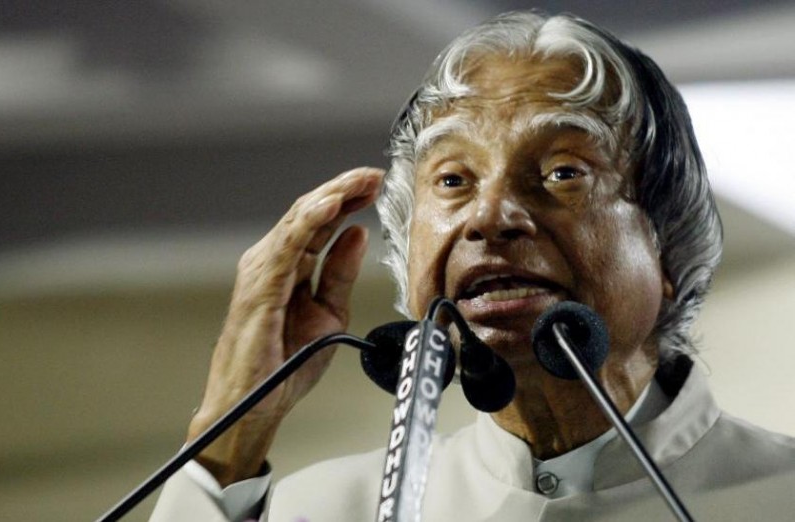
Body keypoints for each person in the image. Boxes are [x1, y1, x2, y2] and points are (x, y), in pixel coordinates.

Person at [148, 10, 795, 521]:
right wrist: (232, 430)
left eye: (563, 172)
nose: (490, 216)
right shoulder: (320, 511)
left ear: (668, 248)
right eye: (454, 180)